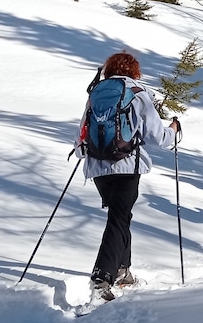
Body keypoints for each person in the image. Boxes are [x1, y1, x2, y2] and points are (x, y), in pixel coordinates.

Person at [75, 50, 181, 301]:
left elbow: (82, 133)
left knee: (121, 216)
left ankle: (123, 271)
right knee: (118, 218)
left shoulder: (96, 93)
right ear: (134, 72)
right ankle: (102, 277)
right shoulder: (137, 92)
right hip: (127, 165)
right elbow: (158, 137)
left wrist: (85, 153)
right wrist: (173, 129)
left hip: (97, 168)